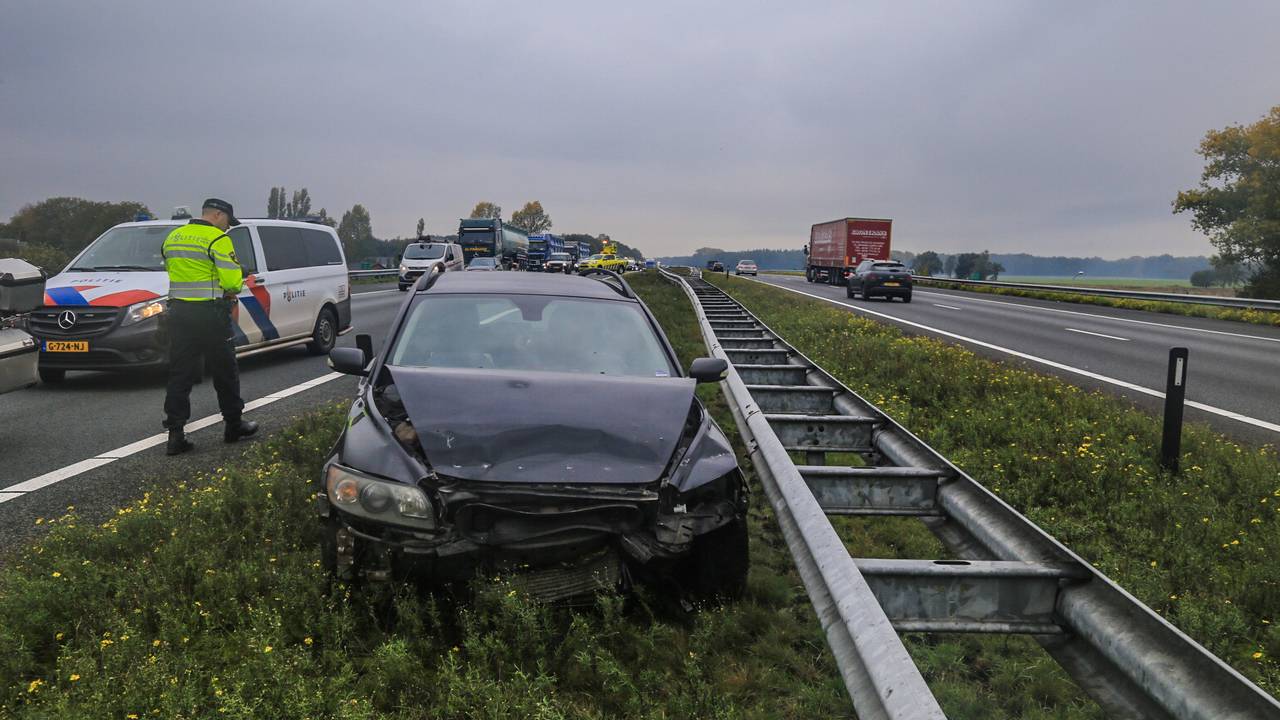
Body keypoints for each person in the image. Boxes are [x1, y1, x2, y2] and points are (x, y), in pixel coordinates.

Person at [161, 198, 258, 455]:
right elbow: (232, 282)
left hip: (179, 313)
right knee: (225, 370)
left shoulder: (174, 237)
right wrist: (237, 275)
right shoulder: (218, 240)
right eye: (227, 222)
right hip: (211, 314)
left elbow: (171, 269)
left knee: (180, 373)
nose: (228, 228)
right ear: (217, 215)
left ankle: (175, 434)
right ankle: (234, 425)